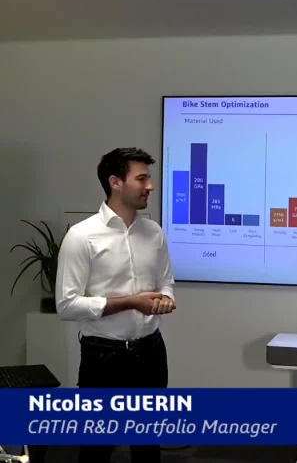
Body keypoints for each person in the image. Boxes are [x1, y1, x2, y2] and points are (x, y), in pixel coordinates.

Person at [56, 148, 177, 463]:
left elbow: (166, 282)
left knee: (147, 446)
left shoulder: (154, 232)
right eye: (142, 179)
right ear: (115, 182)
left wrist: (165, 299)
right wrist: (131, 302)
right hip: (103, 357)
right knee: (96, 448)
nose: (150, 186)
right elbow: (67, 305)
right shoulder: (82, 236)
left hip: (151, 352)